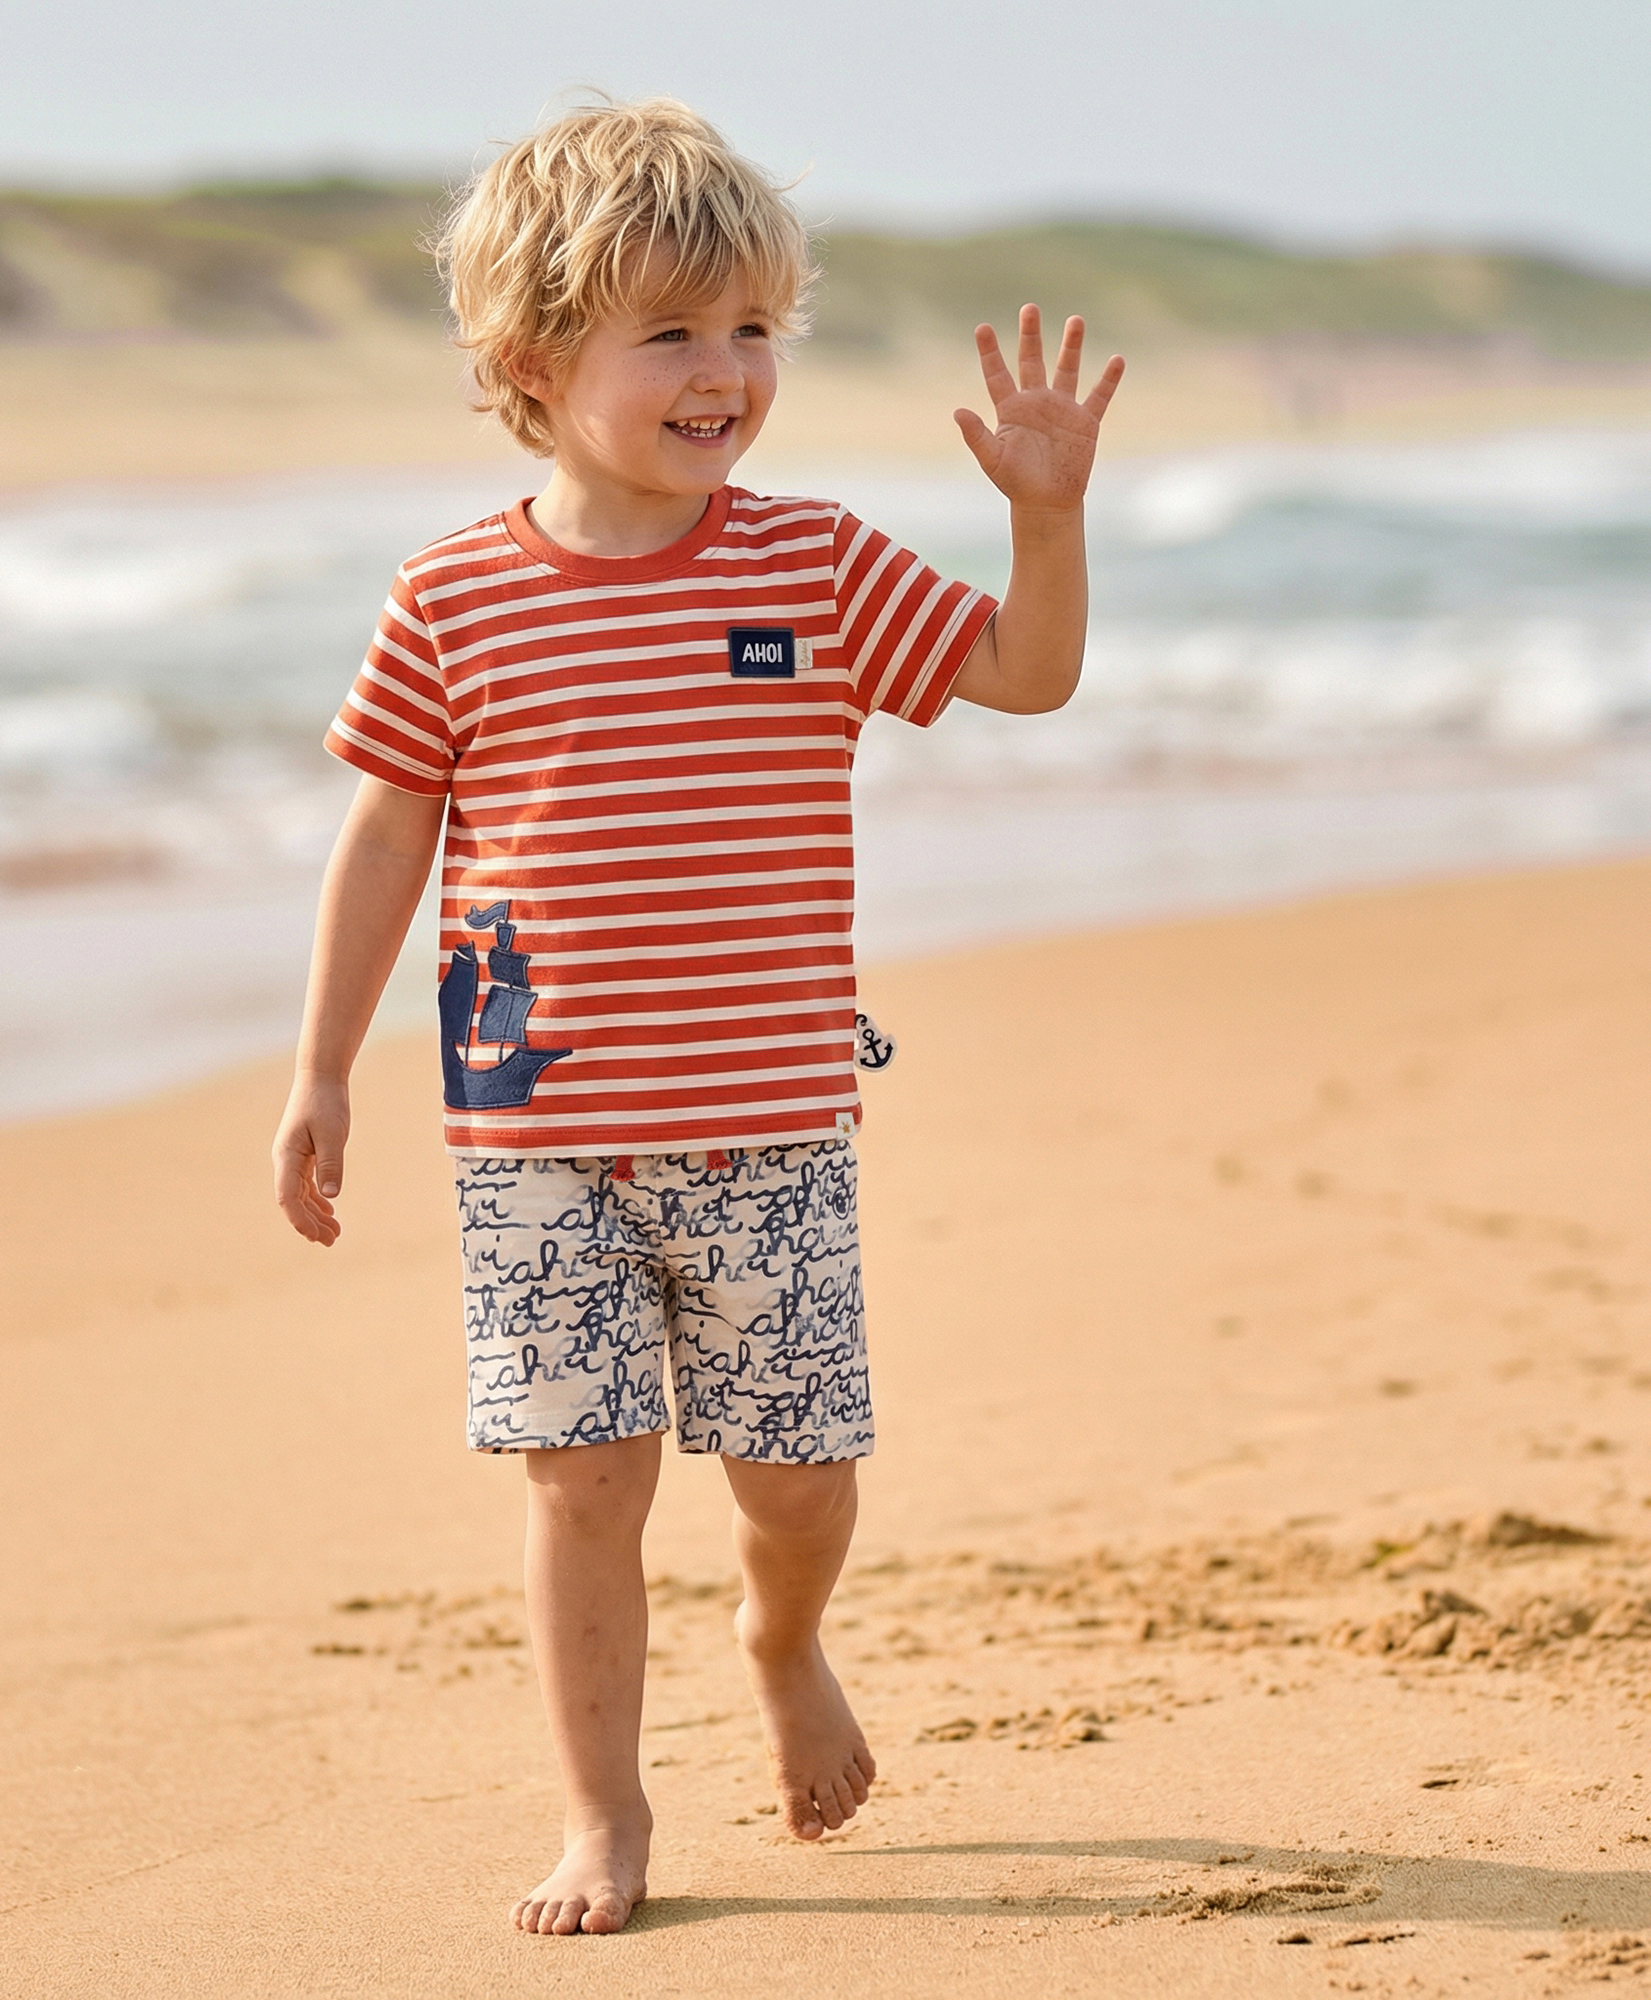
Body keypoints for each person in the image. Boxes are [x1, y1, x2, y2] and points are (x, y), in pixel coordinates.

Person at [271, 96, 1123, 1937]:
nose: (724, 370)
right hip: (535, 1139)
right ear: (529, 355)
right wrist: (323, 1067)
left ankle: (783, 1634)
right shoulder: (455, 597)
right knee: (582, 1484)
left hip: (771, 1125)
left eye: (753, 328)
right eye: (670, 331)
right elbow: (387, 828)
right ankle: (605, 1817)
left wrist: (1043, 523)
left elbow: (1026, 677)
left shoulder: (809, 566)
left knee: (797, 1481)